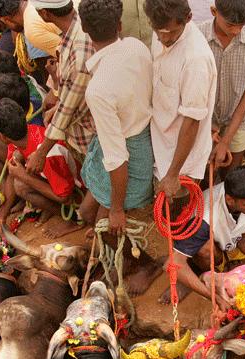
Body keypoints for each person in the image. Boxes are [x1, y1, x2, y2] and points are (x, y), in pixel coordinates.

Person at [77, 0, 154, 236]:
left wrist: (117, 210)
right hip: (141, 141)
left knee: (104, 226)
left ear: (85, 30)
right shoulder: (136, 46)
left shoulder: (99, 90)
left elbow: (117, 157)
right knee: (88, 213)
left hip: (128, 157)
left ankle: (116, 261)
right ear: (120, 25)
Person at [163, 166, 245, 307]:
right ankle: (211, 278)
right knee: (204, 249)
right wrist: (214, 297)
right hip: (210, 248)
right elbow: (173, 264)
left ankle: (233, 267)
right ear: (229, 200)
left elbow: (242, 236)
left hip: (230, 240)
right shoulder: (205, 219)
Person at [23, 0, 97, 236]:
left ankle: (96, 224)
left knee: (95, 186)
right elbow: (68, 98)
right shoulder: (70, 33)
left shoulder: (80, 47)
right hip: (79, 127)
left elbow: (68, 110)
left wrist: (41, 152)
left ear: (45, 13)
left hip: (89, 132)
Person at [145, 0, 217, 201]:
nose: (162, 38)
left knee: (177, 220)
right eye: (158, 31)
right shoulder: (161, 29)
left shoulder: (196, 60)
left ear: (188, 18)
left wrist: (173, 174)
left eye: (170, 32)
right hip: (160, 146)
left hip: (181, 161)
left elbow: (192, 120)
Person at [0, 98, 83, 232]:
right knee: (18, 180)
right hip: (57, 181)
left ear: (1, 136)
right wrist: (1, 217)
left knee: (21, 186)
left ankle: (74, 219)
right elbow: (11, 174)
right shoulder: (21, 137)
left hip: (77, 192)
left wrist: (23, 176)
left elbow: (65, 197)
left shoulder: (48, 154)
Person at [198, 0, 245, 171]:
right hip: (202, 121)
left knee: (232, 177)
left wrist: (225, 141)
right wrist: (207, 127)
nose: (236, 31)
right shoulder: (197, 37)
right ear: (214, 12)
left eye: (241, 25)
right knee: (203, 176)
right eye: (230, 25)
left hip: (236, 122)